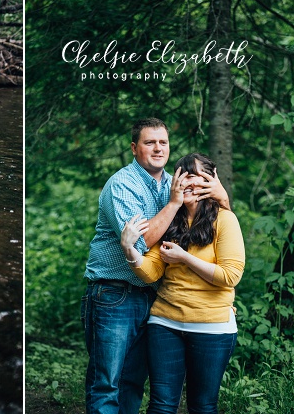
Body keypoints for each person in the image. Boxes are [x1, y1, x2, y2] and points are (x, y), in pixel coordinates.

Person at [82, 118, 229, 414]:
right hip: (114, 294)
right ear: (135, 148)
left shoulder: (170, 185)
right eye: (150, 142)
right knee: (107, 383)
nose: (158, 148)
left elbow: (215, 222)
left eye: (163, 142)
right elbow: (141, 243)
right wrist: (174, 203)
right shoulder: (122, 185)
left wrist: (222, 195)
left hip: (153, 296)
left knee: (134, 381)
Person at [121, 153, 244, 414]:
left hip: (213, 328)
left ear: (211, 180)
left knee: (202, 406)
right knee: (162, 405)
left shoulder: (225, 220)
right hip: (165, 323)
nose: (187, 181)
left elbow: (230, 276)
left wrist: (184, 258)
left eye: (195, 175)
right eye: (182, 175)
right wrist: (130, 251)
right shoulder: (171, 221)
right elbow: (152, 271)